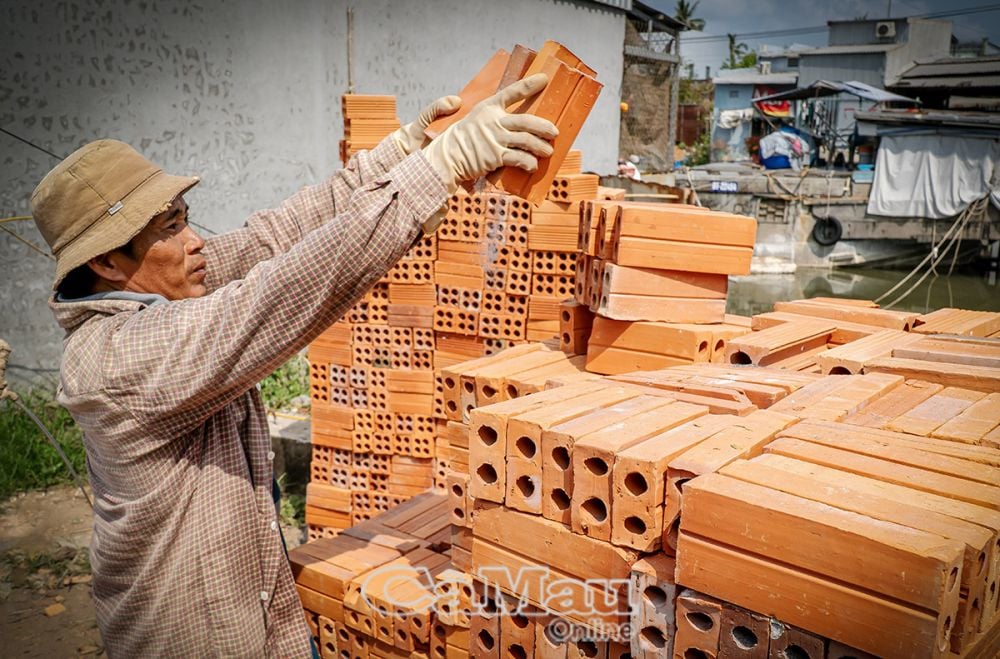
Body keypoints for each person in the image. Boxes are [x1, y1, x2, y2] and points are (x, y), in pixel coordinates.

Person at [29, 73, 558, 657]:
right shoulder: (115, 358)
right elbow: (278, 293)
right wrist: (437, 172)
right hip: (192, 635)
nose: (196, 240)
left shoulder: (171, 287)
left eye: (185, 216)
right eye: (171, 228)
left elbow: (274, 239)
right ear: (107, 262)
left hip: (258, 611)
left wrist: (402, 151)